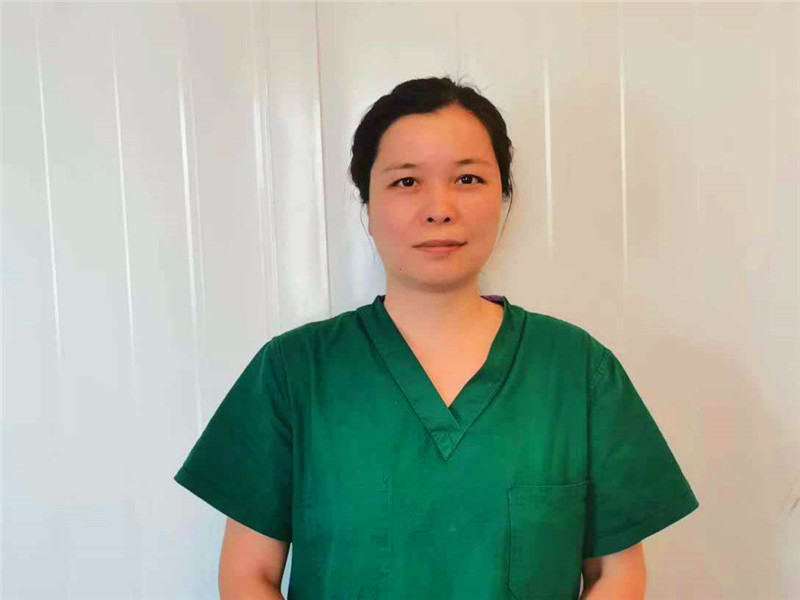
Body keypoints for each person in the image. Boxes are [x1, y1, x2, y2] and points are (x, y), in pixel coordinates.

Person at [174, 75, 699, 599]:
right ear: (367, 204)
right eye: (406, 182)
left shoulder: (577, 371)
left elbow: (617, 575)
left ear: (503, 197)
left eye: (468, 179)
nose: (439, 207)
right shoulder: (293, 372)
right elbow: (249, 576)